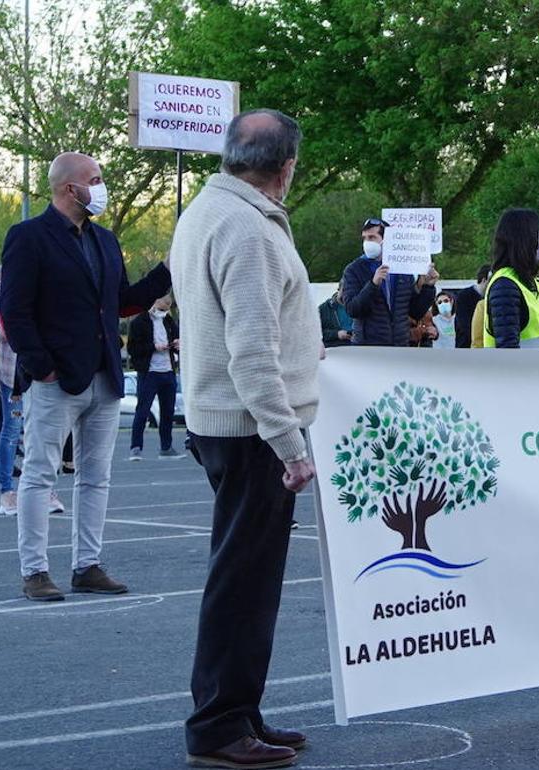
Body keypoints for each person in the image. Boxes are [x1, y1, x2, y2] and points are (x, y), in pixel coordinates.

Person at [172, 109, 319, 770]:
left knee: (245, 579)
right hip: (251, 428)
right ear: (285, 166)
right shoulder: (246, 227)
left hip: (223, 421)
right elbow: (253, 356)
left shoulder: (208, 208)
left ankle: (239, 709)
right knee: (244, 584)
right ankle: (220, 725)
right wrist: (290, 445)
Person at [0, 151, 171, 602]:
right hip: (56, 378)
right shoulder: (28, 237)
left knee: (96, 476)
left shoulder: (106, 240)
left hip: (104, 375)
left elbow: (124, 302)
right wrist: (42, 366)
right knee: (39, 474)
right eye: (95, 179)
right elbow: (14, 311)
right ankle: (35, 570)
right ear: (69, 188)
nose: (101, 186)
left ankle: (87, 565)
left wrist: (167, 270)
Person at [340, 218, 438, 346]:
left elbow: (414, 312)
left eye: (372, 237)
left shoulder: (402, 269)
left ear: (387, 239)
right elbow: (352, 309)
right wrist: (373, 285)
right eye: (364, 238)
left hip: (399, 345)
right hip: (368, 347)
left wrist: (428, 287)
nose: (366, 242)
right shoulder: (354, 270)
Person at [483, 209, 539, 349]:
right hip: (525, 370)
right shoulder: (505, 287)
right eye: (538, 234)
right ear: (525, 240)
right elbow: (508, 350)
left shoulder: (531, 281)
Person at [126, 294, 184, 461]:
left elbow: (178, 341)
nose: (166, 307)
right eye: (164, 303)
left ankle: (166, 447)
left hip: (168, 371)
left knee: (168, 412)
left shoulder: (169, 321)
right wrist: (153, 347)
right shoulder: (139, 322)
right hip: (149, 372)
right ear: (154, 301)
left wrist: (177, 345)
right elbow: (133, 349)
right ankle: (136, 448)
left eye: (168, 304)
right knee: (142, 410)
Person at [0, 265, 25, 515]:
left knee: (37, 432)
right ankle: (6, 492)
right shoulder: (0, 291)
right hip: (13, 372)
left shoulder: (39, 279)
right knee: (11, 430)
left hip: (42, 368)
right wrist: (28, 332)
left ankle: (42, 490)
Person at [453, 265, 489, 348]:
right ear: (484, 280)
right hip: (465, 346)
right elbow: (464, 324)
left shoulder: (490, 297)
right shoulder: (463, 296)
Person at [319, 283, 352, 348]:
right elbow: (314, 333)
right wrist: (337, 334)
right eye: (345, 290)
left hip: (357, 349)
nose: (347, 293)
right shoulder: (324, 309)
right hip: (333, 350)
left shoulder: (360, 306)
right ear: (338, 289)